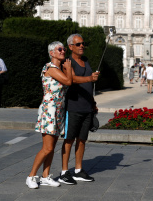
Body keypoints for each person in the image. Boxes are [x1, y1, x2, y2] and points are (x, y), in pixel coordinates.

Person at [26, 41, 72, 189]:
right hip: (49, 111)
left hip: (58, 111)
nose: (63, 51)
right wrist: (69, 68)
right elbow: (68, 81)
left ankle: (45, 176)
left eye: (64, 49)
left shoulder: (59, 68)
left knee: (52, 147)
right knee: (47, 148)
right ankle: (31, 176)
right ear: (52, 53)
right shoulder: (50, 68)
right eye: (59, 49)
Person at [59, 34, 99, 185]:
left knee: (82, 140)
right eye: (78, 44)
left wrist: (93, 102)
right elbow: (73, 79)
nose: (82, 46)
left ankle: (78, 170)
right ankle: (64, 172)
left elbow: (90, 85)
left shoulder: (86, 61)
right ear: (70, 47)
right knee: (69, 139)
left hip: (87, 106)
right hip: (73, 107)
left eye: (83, 43)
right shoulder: (67, 62)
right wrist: (90, 78)